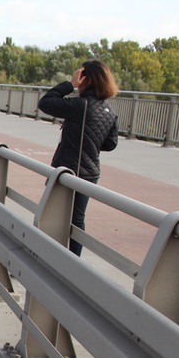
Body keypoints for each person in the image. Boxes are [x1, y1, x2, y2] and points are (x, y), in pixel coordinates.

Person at [37, 60, 119, 256]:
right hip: (90, 173)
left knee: (51, 214)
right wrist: (86, 137)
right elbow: (110, 144)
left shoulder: (80, 105)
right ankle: (74, 262)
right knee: (77, 220)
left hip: (67, 170)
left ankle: (45, 256)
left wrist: (70, 84)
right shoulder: (110, 112)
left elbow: (45, 103)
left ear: (86, 79)